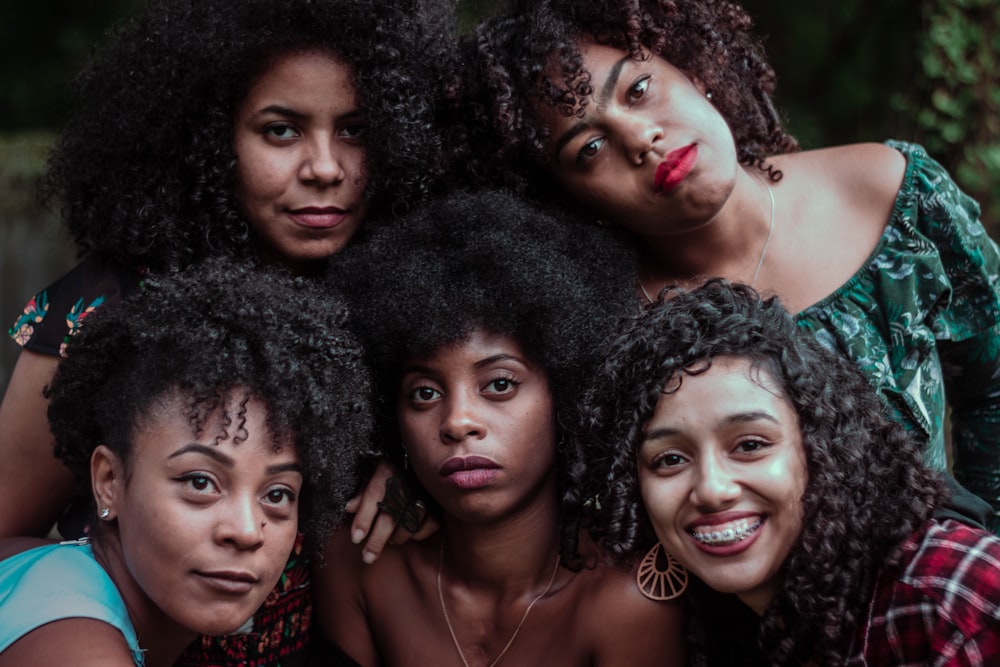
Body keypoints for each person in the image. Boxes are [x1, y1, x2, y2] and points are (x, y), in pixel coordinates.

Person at [2, 0, 452, 663]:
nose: (326, 167)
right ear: (208, 140)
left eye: (355, 130)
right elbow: (6, 538)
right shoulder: (109, 306)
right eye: (280, 131)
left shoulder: (402, 303)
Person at [461, 0, 1000, 530]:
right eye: (590, 148)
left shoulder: (891, 193)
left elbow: (992, 387)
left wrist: (979, 561)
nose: (640, 138)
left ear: (691, 67)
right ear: (570, 202)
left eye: (639, 90)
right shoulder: (596, 327)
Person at [311, 189, 685, 666]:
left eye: (500, 384)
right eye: (424, 393)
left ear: (569, 395)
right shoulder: (355, 564)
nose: (457, 422)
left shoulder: (626, 602)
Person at [577, 279, 1000, 666]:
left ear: (823, 449)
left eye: (750, 445)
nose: (711, 489)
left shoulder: (953, 593)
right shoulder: (729, 625)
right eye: (670, 459)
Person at [0, 260, 373, 667]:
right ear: (108, 480)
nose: (247, 532)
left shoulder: (52, 572)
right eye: (200, 482)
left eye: (278, 493)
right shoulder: (73, 643)